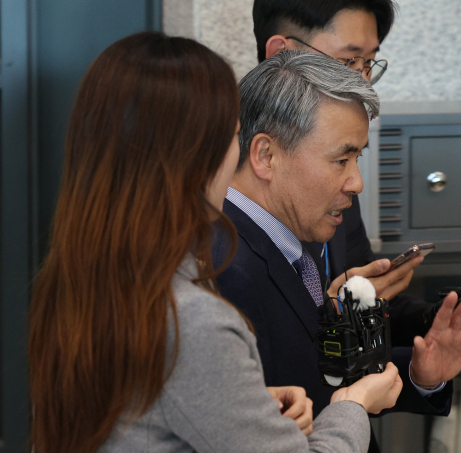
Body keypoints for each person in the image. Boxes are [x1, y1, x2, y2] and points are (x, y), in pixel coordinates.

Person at [27, 32, 403, 453]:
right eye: (232, 134)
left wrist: (251, 409)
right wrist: (351, 406)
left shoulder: (77, 281)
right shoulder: (191, 316)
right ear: (191, 158)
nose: (236, 155)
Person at [212, 50, 461, 452]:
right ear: (265, 155)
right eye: (341, 159)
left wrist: (419, 371)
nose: (356, 182)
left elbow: (317, 379)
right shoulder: (224, 268)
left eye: (357, 158)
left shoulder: (288, 242)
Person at [253, 0, 461, 364]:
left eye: (368, 63)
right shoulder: (223, 199)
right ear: (280, 54)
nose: (361, 81)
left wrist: (442, 323)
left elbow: (371, 306)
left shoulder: (341, 182)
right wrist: (333, 316)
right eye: (348, 61)